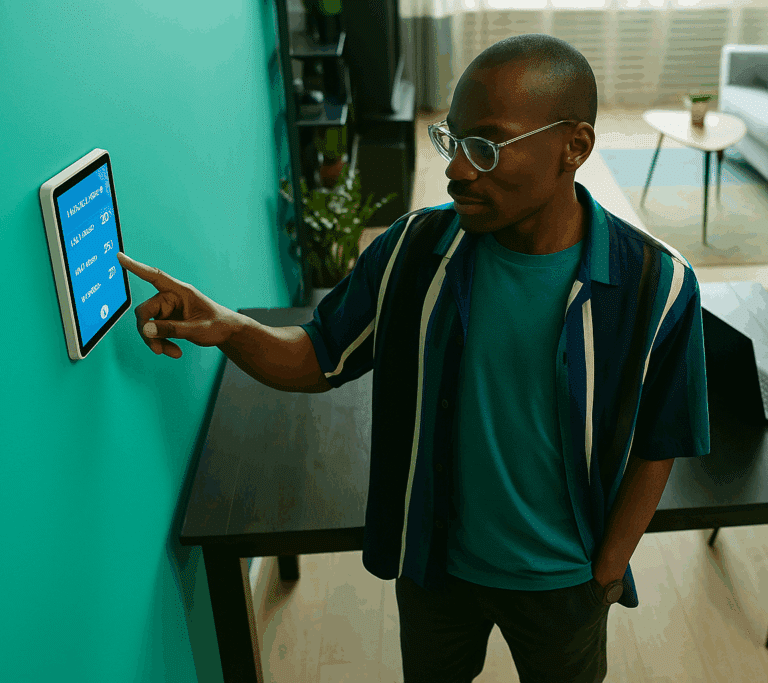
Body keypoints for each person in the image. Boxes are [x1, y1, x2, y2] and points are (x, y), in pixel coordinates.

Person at [119, 33, 709, 683]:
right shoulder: (411, 251)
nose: (457, 171)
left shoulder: (658, 285)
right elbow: (320, 355)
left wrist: (606, 570)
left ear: (575, 146)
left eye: (485, 147)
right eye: (453, 141)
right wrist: (229, 328)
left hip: (566, 586)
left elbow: (661, 440)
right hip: (436, 572)